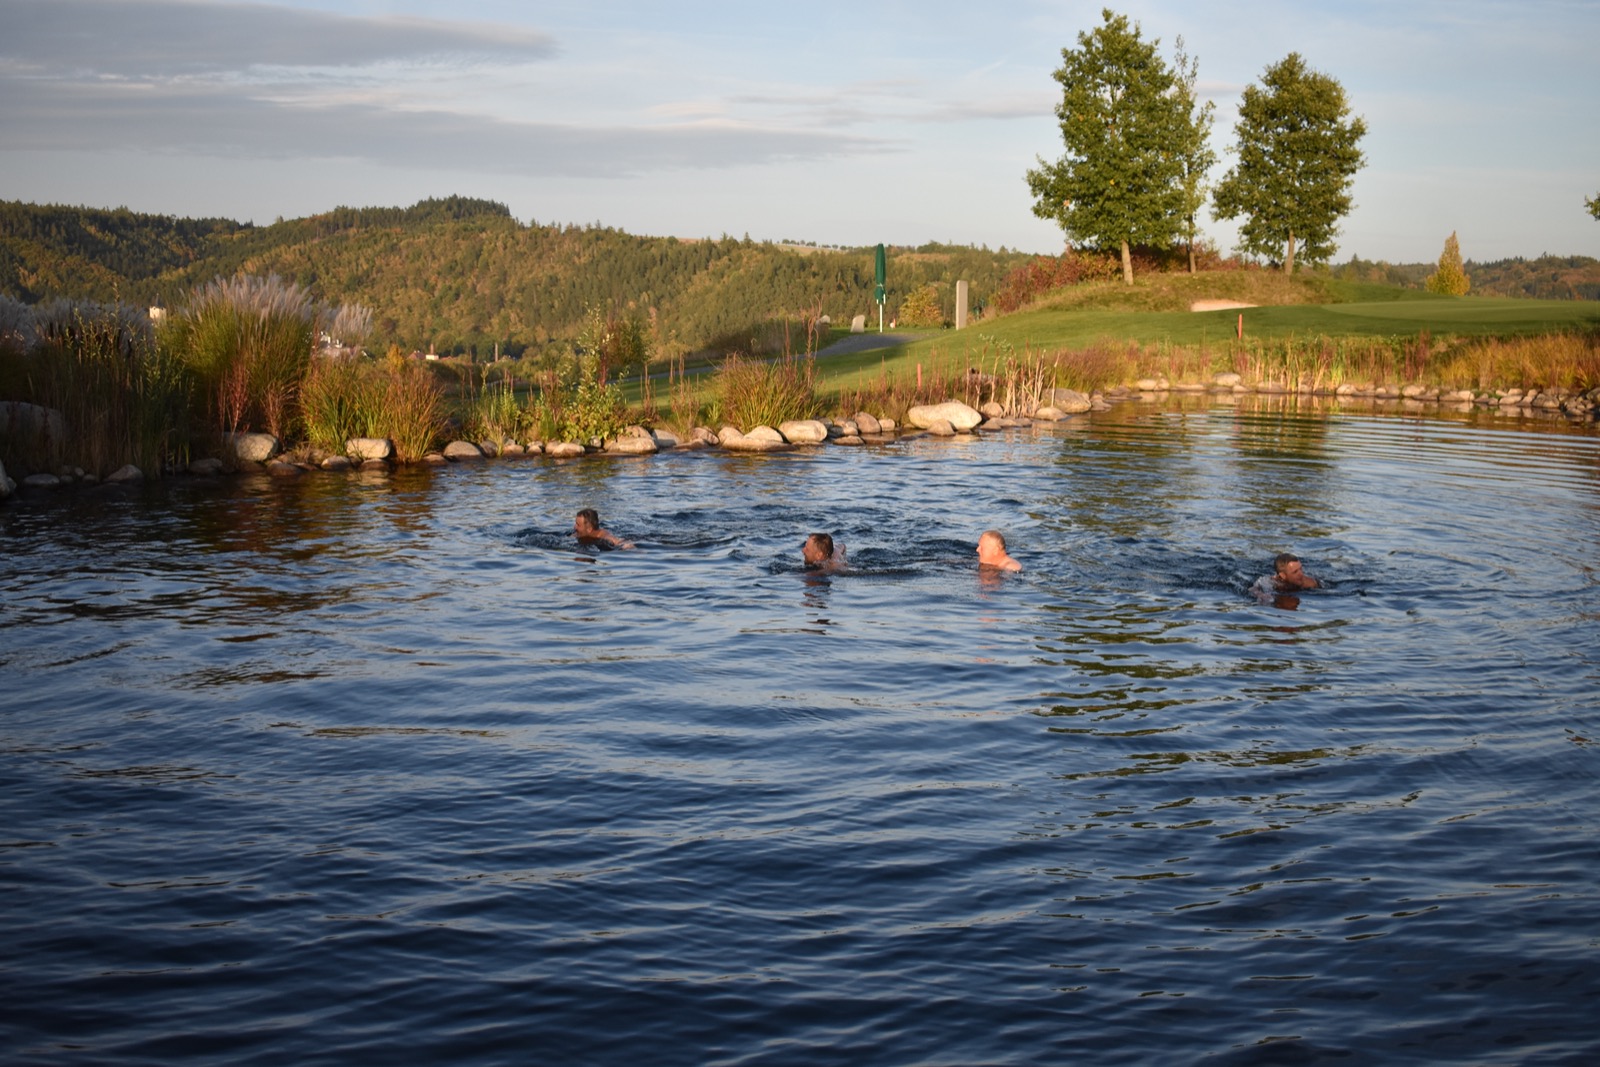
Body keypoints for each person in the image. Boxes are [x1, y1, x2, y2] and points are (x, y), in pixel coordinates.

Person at [1252, 552, 1318, 600]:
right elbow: (1253, 589)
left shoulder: (1309, 582)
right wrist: (1261, 595)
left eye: (1300, 569)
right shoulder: (1272, 582)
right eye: (1295, 572)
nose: (1301, 574)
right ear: (1283, 575)